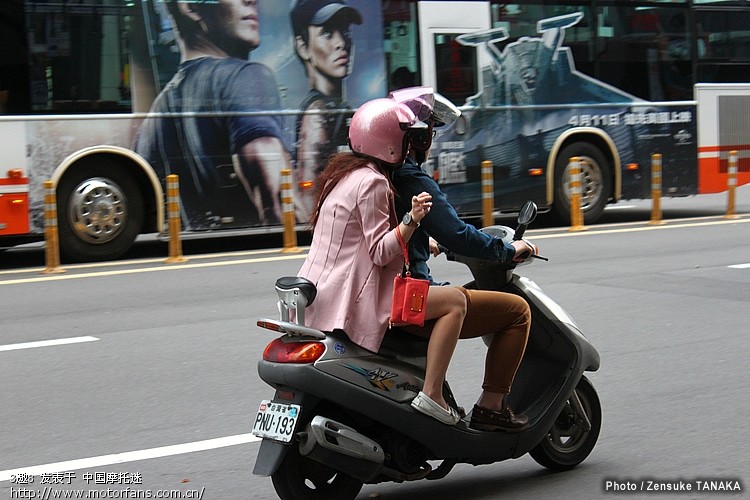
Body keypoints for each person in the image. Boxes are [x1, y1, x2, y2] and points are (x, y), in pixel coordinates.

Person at [298, 97, 467, 425]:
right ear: (390, 141)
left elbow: (356, 240)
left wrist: (420, 240)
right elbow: (379, 250)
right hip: (366, 300)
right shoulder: (374, 182)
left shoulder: (343, 174)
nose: (409, 146)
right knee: (456, 302)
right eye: (405, 137)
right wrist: (413, 219)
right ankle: (433, 394)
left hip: (323, 295)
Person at [390, 87, 537, 432]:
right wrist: (508, 250)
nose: (430, 141)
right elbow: (457, 233)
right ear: (418, 139)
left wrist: (427, 245)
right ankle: (492, 405)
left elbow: (395, 231)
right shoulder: (410, 178)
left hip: (380, 288)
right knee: (518, 312)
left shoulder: (372, 174)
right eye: (428, 134)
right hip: (406, 296)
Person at [134, 0, 292, 231]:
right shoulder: (245, 77)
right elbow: (277, 206)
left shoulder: (152, 120)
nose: (252, 0)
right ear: (191, 7)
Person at [289, 0, 362, 217]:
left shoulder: (339, 108)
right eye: (327, 33)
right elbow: (309, 193)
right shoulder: (318, 112)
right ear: (303, 47)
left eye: (345, 31)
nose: (341, 43)